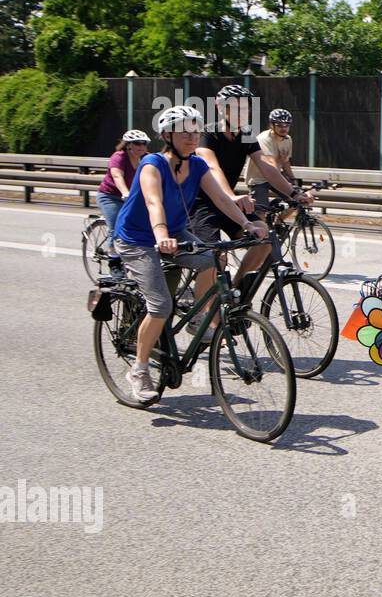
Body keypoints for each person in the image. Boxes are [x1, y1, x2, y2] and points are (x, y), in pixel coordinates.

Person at [112, 104, 268, 404]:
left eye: (196, 131)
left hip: (176, 231)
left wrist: (247, 224)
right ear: (167, 135)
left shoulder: (196, 165)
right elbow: (153, 202)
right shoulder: (151, 164)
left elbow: (221, 198)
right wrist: (161, 235)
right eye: (184, 131)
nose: (192, 137)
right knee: (159, 306)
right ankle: (140, 369)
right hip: (139, 238)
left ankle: (198, 321)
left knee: (212, 258)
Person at [189, 85, 312, 289]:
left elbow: (266, 166)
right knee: (216, 258)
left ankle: (236, 291)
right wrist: (232, 196)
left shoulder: (246, 134)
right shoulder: (208, 133)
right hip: (200, 203)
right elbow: (212, 167)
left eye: (245, 108)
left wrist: (293, 192)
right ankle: (203, 314)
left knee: (264, 236)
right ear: (221, 108)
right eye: (235, 108)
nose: (241, 113)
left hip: (227, 203)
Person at [245, 108, 298, 226]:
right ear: (271, 125)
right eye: (279, 125)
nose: (284, 128)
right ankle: (260, 236)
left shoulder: (288, 140)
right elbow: (271, 163)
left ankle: (277, 223)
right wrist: (285, 183)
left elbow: (285, 162)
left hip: (276, 175)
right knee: (260, 214)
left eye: (287, 125)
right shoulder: (264, 138)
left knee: (296, 201)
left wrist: (293, 181)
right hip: (258, 179)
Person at [95, 130, 151, 240]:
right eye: (137, 143)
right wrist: (125, 192)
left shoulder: (146, 158)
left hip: (131, 198)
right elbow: (117, 176)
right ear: (128, 145)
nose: (141, 146)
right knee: (117, 225)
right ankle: (112, 253)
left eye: (144, 143)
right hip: (110, 197)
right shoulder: (119, 157)